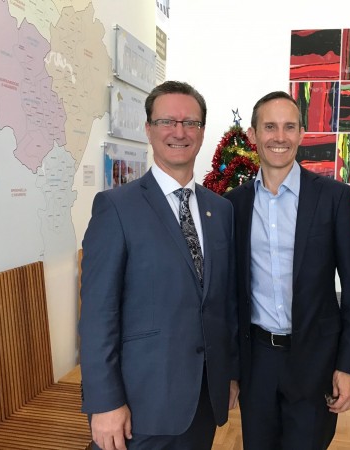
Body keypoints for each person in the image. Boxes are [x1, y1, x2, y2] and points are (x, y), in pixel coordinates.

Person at [79, 80, 239, 450]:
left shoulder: (221, 211)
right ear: (149, 129)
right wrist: (104, 403)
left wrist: (229, 374)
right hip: (140, 404)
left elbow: (224, 303)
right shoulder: (116, 208)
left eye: (191, 123)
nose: (179, 132)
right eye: (168, 121)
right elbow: (98, 315)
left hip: (203, 399)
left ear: (201, 131)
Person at [225, 91, 350, 450]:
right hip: (256, 363)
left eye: (289, 127)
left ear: (302, 134)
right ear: (254, 135)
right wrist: (230, 370)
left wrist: (347, 366)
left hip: (315, 362)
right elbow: (227, 295)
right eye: (270, 127)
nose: (280, 137)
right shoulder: (234, 205)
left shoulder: (333, 198)